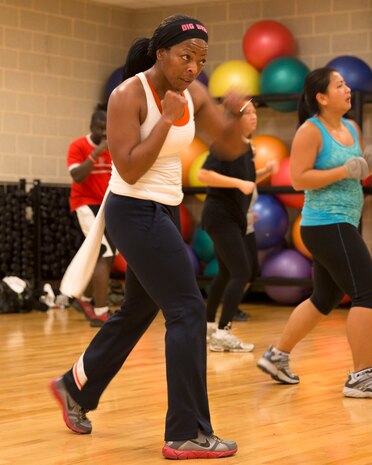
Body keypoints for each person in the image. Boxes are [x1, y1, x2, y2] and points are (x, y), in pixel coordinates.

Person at [49, 14, 248, 459]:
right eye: (185, 56)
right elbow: (130, 167)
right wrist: (166, 121)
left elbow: (230, 147)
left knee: (139, 310)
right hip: (132, 211)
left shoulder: (193, 92)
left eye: (201, 59)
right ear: (160, 53)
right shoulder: (127, 95)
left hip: (165, 208)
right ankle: (186, 432)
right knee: (188, 309)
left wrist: (233, 118)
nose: (194, 67)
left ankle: (74, 387)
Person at [256, 67, 372, 399]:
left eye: (345, 83)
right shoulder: (311, 131)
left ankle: (277, 356)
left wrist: (368, 166)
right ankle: (361, 377)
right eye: (340, 85)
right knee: (367, 292)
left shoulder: (352, 126)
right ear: (322, 97)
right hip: (325, 223)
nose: (348, 88)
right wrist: (343, 170)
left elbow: (356, 175)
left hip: (344, 222)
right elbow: (298, 179)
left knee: (325, 298)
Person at [200, 99, 277, 352]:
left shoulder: (247, 147)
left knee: (225, 272)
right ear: (235, 119)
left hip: (235, 217)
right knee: (241, 272)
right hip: (220, 216)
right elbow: (204, 175)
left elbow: (247, 180)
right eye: (247, 113)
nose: (253, 117)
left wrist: (264, 172)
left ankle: (210, 327)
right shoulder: (225, 144)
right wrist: (237, 184)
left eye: (255, 112)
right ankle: (223, 331)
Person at [66, 105, 114, 327]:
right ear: (91, 127)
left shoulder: (114, 146)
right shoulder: (79, 145)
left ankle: (83, 299)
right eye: (100, 128)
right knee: (104, 253)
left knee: (107, 255)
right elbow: (77, 176)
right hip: (85, 204)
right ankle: (101, 311)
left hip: (108, 205)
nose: (104, 132)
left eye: (107, 128)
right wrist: (95, 153)